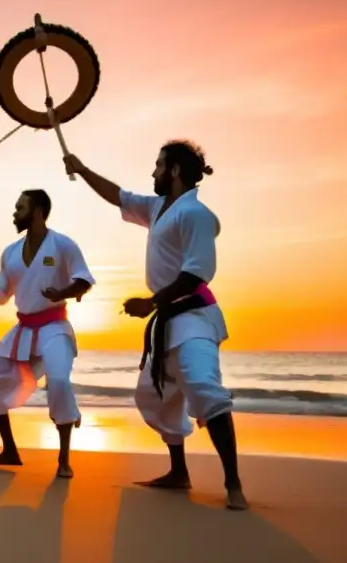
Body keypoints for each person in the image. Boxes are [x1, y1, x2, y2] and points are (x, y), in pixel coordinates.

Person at [64, 142, 248, 510]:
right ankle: (179, 473)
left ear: (175, 170)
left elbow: (196, 273)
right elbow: (118, 196)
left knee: (204, 389)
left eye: (158, 165)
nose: (153, 173)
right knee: (154, 396)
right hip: (168, 321)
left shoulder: (194, 214)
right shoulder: (158, 208)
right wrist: (82, 169)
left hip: (193, 318)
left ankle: (234, 484)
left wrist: (151, 302)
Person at [0, 190, 94, 479]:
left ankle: (64, 458)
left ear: (37, 211)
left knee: (60, 381)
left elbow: (84, 280)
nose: (14, 213)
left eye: (20, 207)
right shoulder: (11, 252)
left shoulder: (63, 245)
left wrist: (62, 292)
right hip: (23, 330)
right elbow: (2, 287)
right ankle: (10, 450)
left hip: (55, 328)